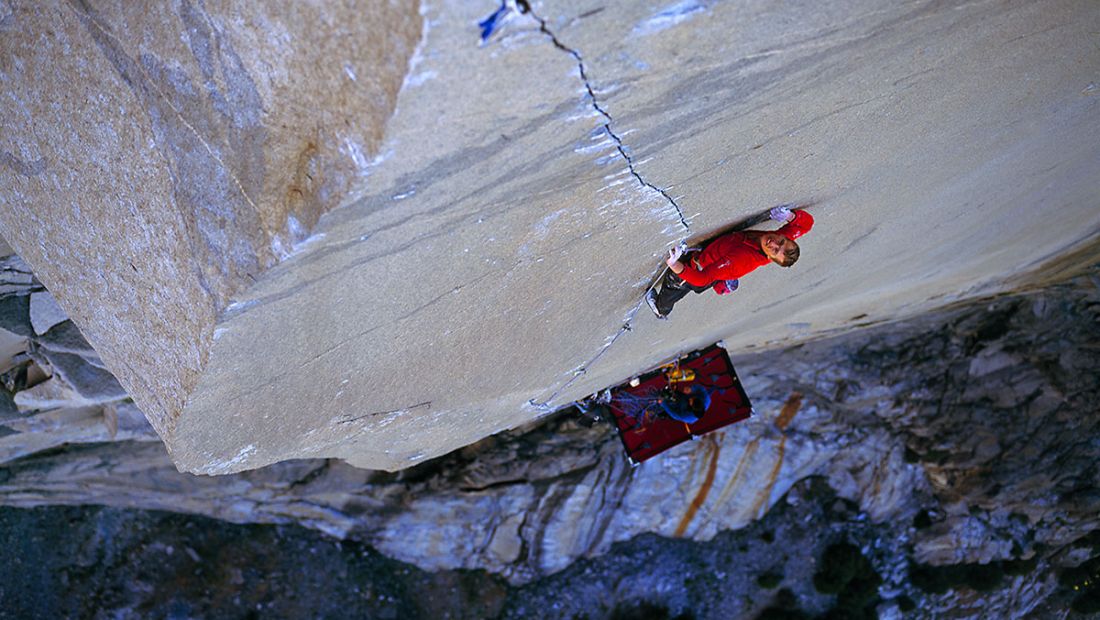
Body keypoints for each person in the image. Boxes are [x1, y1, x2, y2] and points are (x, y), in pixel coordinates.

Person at [645, 206, 814, 319]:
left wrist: (674, 264)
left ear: (771, 258)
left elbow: (702, 279)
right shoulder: (780, 245)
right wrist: (791, 216)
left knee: (673, 287)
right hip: (714, 256)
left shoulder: (741, 261)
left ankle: (662, 311)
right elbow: (806, 225)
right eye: (782, 241)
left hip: (698, 270)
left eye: (775, 250)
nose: (774, 243)